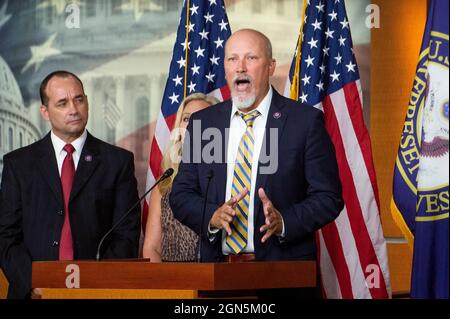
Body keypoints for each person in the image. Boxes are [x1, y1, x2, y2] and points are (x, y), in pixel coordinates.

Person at [170, 29, 344, 265]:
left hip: (282, 273)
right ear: (226, 68)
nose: (240, 67)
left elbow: (328, 196)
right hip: (217, 274)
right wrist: (211, 215)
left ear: (271, 66)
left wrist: (284, 221)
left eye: (251, 58)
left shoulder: (304, 122)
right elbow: (181, 194)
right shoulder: (204, 124)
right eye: (232, 59)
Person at [0, 71, 141, 299]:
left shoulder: (117, 162)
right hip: (33, 293)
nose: (74, 110)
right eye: (62, 103)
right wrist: (33, 283)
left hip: (97, 292)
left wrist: (97, 284)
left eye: (79, 99)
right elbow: (6, 236)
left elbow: (126, 235)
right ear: (45, 112)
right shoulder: (19, 165)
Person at [143, 93, 219, 262]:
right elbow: (151, 248)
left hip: (215, 278)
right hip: (172, 282)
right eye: (186, 119)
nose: (191, 125)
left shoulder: (228, 178)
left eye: (200, 118)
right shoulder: (165, 181)